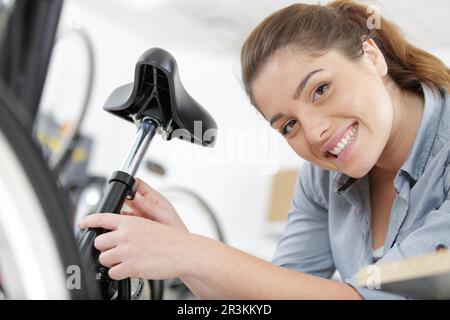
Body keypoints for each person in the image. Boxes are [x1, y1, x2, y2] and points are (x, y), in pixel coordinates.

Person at [79, 0, 450, 299]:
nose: (316, 132)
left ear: (371, 56)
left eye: (320, 89)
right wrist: (180, 251)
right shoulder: (323, 177)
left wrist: (190, 252)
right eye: (288, 125)